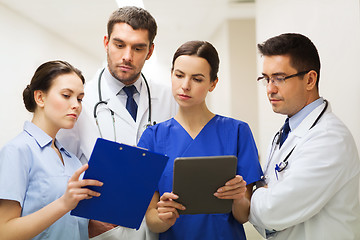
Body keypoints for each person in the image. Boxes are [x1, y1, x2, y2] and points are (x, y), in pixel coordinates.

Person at [57, 6, 177, 240]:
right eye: (119, 45)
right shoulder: (81, 99)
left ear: (150, 51)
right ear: (106, 43)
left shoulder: (167, 98)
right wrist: (88, 218)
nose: (127, 57)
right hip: (104, 227)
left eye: (138, 48)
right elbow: (61, 169)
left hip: (158, 226)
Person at [137, 40, 263, 240]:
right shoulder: (152, 138)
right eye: (179, 75)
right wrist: (163, 217)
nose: (185, 86)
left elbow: (243, 216)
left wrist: (239, 198)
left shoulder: (237, 132)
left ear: (213, 83)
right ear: (171, 75)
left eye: (197, 79)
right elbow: (151, 218)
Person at [249, 33, 360, 239]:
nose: (270, 89)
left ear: (310, 79)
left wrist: (248, 194)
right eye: (266, 79)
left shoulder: (329, 139)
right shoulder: (288, 131)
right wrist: (264, 196)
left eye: (279, 78)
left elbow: (273, 211)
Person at [0, 60, 103, 240]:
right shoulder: (17, 151)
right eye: (66, 95)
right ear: (40, 98)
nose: (76, 105)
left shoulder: (73, 161)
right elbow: (4, 232)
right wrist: (64, 203)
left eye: (79, 98)